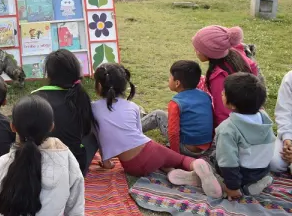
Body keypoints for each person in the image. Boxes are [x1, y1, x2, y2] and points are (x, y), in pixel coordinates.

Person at [92, 63, 222, 198]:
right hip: (152, 150)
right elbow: (138, 132)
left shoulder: (93, 109)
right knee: (181, 160)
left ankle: (172, 172)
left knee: (162, 160)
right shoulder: (133, 106)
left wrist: (107, 163)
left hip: (132, 166)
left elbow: (99, 138)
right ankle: (196, 165)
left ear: (100, 85)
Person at [0, 95, 85, 215]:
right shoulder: (68, 162)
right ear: (52, 126)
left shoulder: (1, 166)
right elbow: (76, 210)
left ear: (12, 127)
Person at [32, 49, 99, 175]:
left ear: (49, 74)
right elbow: (85, 131)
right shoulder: (81, 97)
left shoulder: (35, 99)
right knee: (94, 136)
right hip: (74, 168)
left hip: (40, 166)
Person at [214, 73, 275, 200]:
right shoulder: (265, 119)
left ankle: (238, 187)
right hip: (262, 169)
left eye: (224, 92)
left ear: (232, 105)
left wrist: (233, 188)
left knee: (214, 162)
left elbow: (228, 163)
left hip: (242, 173)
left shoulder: (227, 129)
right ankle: (258, 183)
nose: (221, 93)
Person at [142, 61, 213, 157]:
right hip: (205, 148)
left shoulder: (175, 103)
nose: (168, 79)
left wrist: (176, 155)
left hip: (186, 148)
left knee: (158, 114)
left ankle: (130, 130)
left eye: (170, 77)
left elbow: (173, 133)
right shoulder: (205, 96)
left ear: (177, 83)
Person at [192, 25, 257, 127]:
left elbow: (222, 113)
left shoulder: (219, 77)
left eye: (198, 49)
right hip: (248, 109)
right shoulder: (235, 53)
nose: (195, 51)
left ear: (210, 52)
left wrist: (220, 135)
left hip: (231, 126)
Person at [270, 71, 292, 174]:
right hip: (290, 136)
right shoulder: (290, 77)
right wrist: (287, 139)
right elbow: (283, 112)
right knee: (274, 162)